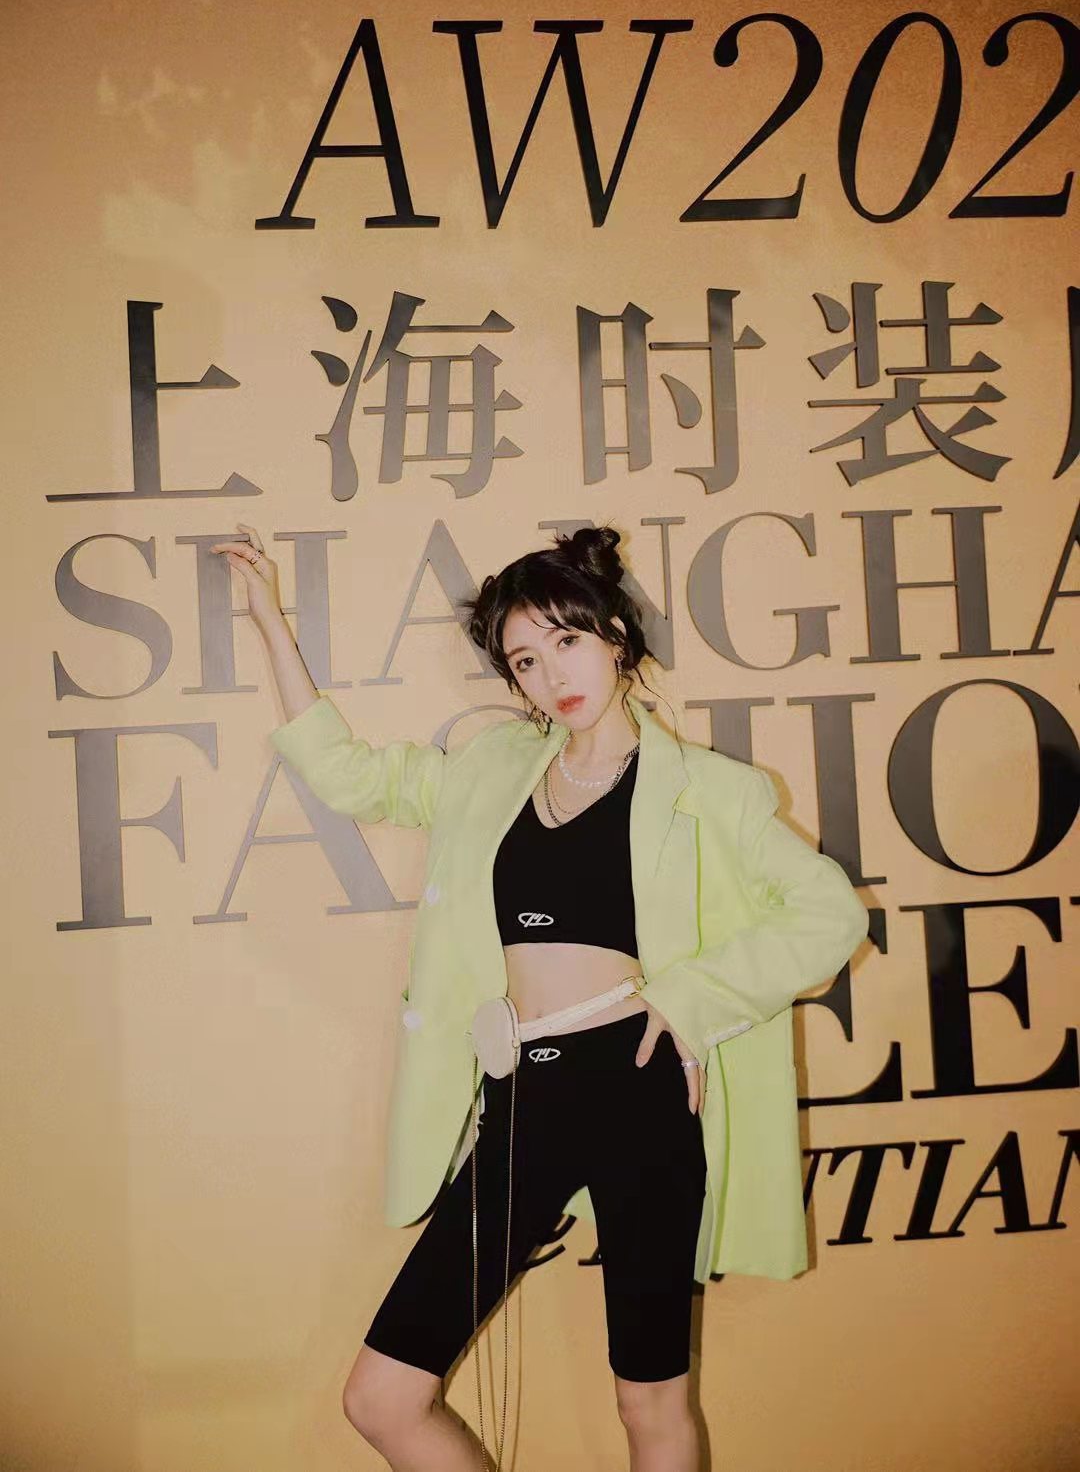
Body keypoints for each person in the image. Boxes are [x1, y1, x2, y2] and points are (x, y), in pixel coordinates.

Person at [211, 521, 869, 1472]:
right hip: (525, 1093)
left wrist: (690, 999)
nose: (551, 673)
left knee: (650, 1404)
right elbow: (351, 777)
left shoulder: (711, 791)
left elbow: (830, 914)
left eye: (566, 639)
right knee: (381, 1398)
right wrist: (270, 620)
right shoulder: (492, 771)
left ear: (616, 635)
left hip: (640, 1090)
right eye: (524, 659)